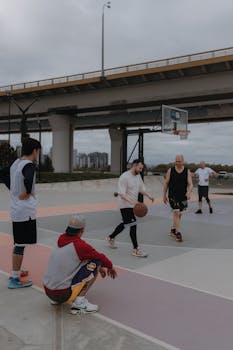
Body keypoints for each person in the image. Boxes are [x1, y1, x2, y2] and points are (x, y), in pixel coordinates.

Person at [43, 213, 117, 314]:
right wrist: (110, 267)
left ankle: (57, 299)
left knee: (85, 259)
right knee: (96, 262)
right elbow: (100, 258)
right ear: (82, 230)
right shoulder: (80, 246)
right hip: (62, 294)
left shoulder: (60, 239)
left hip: (48, 291)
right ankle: (79, 303)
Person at [0, 137, 41, 288]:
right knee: (20, 245)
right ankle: (14, 277)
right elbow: (29, 179)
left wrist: (13, 188)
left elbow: (2, 174)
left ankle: (17, 271)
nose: (38, 155)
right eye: (38, 152)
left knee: (19, 243)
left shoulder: (15, 163)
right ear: (35, 150)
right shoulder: (29, 165)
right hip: (25, 211)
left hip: (16, 209)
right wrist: (27, 191)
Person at [106, 159, 154, 257]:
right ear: (134, 165)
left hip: (133, 205)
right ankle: (136, 249)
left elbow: (141, 189)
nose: (141, 170)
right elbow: (122, 194)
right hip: (124, 205)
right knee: (133, 224)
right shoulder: (124, 177)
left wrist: (149, 196)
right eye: (140, 168)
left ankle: (111, 237)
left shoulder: (138, 176)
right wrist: (132, 201)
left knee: (126, 223)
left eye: (142, 169)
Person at [163, 154, 193, 242]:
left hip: (183, 196)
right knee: (176, 212)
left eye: (179, 161)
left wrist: (189, 192)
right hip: (172, 196)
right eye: (176, 161)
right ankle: (178, 233)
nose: (177, 163)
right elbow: (166, 184)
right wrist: (164, 195)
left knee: (180, 214)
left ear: (183, 161)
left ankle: (173, 229)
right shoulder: (170, 170)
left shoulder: (187, 171)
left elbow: (191, 184)